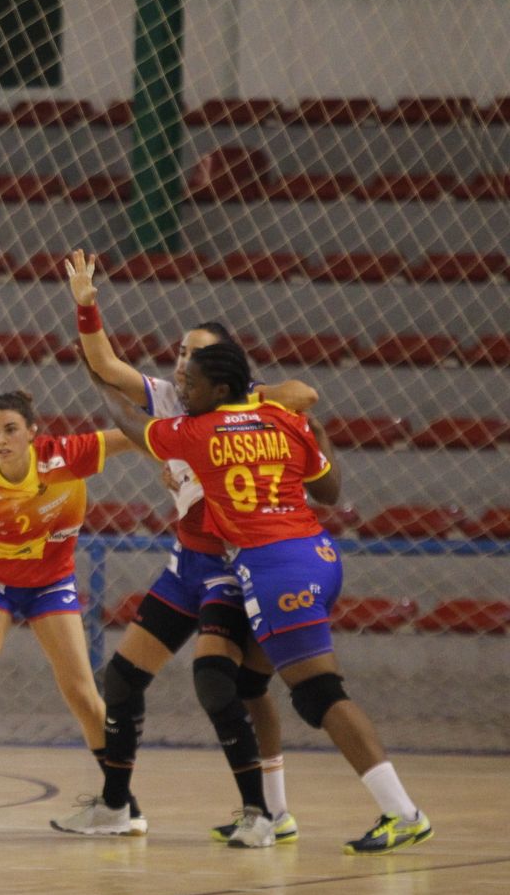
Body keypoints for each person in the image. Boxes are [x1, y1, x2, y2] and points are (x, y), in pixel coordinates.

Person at [100, 341, 432, 854]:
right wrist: (317, 435)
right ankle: (274, 813)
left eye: (191, 386)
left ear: (222, 389)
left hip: (276, 570)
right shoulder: (282, 418)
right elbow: (329, 493)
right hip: (318, 556)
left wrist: (105, 388)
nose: (182, 391)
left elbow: (134, 426)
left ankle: (402, 812)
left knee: (319, 693)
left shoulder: (198, 431)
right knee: (251, 685)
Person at [52, 249, 318, 843]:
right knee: (120, 680)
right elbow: (105, 363)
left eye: (194, 357)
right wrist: (87, 303)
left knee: (222, 686)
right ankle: (117, 806)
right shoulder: (175, 400)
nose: (181, 365)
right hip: (188, 562)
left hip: (237, 565)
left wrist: (260, 394)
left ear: (221, 372)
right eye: (178, 354)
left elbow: (304, 391)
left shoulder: (247, 406)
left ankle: (261, 814)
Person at [0, 391, 137, 829]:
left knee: (82, 692)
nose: (1, 438)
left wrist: (176, 455)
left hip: (50, 584)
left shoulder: (68, 457)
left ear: (33, 432)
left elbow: (133, 434)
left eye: (11, 428)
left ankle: (118, 794)